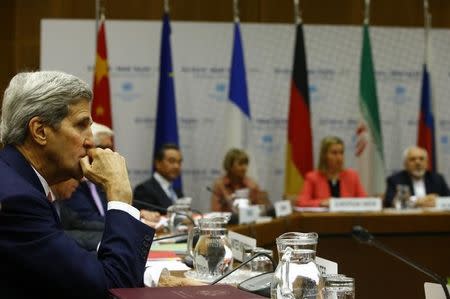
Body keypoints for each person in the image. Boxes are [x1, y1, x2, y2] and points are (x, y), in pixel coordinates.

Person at [0, 71, 156, 298]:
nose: (90, 141)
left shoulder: (18, 179)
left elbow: (66, 266)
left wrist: (151, 272)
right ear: (40, 131)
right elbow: (114, 289)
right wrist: (119, 194)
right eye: (81, 125)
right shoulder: (18, 200)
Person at [296, 136, 367, 207]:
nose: (339, 157)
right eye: (334, 153)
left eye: (341, 153)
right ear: (324, 156)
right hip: (322, 217)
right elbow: (302, 202)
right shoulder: (312, 177)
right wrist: (321, 203)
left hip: (347, 217)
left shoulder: (352, 176)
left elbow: (365, 201)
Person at [384, 146, 450, 208]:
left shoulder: (437, 178)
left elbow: (448, 198)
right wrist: (416, 201)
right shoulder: (395, 179)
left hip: (435, 218)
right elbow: (389, 201)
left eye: (421, 159)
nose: (418, 162)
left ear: (427, 162)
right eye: (412, 159)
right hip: (407, 218)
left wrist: (437, 201)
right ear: (405, 164)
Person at [51, 179, 104, 251]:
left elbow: (83, 224)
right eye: (74, 177)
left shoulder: (61, 202)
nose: (77, 184)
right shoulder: (40, 200)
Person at [210, 148, 269, 212]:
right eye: (240, 164)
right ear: (229, 166)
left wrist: (263, 199)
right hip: (229, 221)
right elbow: (215, 212)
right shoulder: (220, 185)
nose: (244, 168)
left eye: (246, 164)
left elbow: (262, 210)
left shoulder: (251, 184)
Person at [133, 143, 183, 216]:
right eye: (171, 161)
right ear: (157, 163)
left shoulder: (176, 190)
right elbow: (145, 220)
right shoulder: (144, 189)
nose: (177, 166)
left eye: (179, 162)